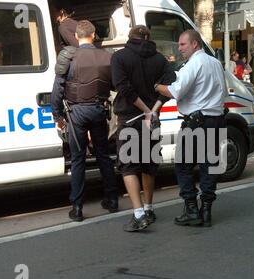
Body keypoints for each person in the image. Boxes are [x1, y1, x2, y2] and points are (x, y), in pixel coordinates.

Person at [155, 30, 227, 228]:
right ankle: (206, 211)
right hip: (216, 119)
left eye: (182, 45)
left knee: (183, 165)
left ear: (195, 44)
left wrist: (157, 86)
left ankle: (192, 209)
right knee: (209, 166)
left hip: (196, 122)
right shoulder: (215, 63)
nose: (179, 49)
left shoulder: (194, 64)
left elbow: (174, 91)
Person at [51, 20, 119, 222]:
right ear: (94, 34)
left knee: (78, 159)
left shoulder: (68, 57)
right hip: (99, 110)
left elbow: (58, 90)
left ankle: (78, 207)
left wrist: (58, 116)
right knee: (103, 156)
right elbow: (115, 85)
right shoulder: (107, 57)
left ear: (77, 35)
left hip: (76, 114)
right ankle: (112, 200)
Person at [111, 25, 175, 232]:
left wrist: (145, 110)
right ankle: (149, 208)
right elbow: (170, 86)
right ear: (148, 38)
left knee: (128, 166)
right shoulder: (160, 59)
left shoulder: (119, 58)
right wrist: (153, 110)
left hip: (130, 119)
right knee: (149, 164)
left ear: (130, 38)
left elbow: (123, 88)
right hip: (152, 120)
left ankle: (138, 214)